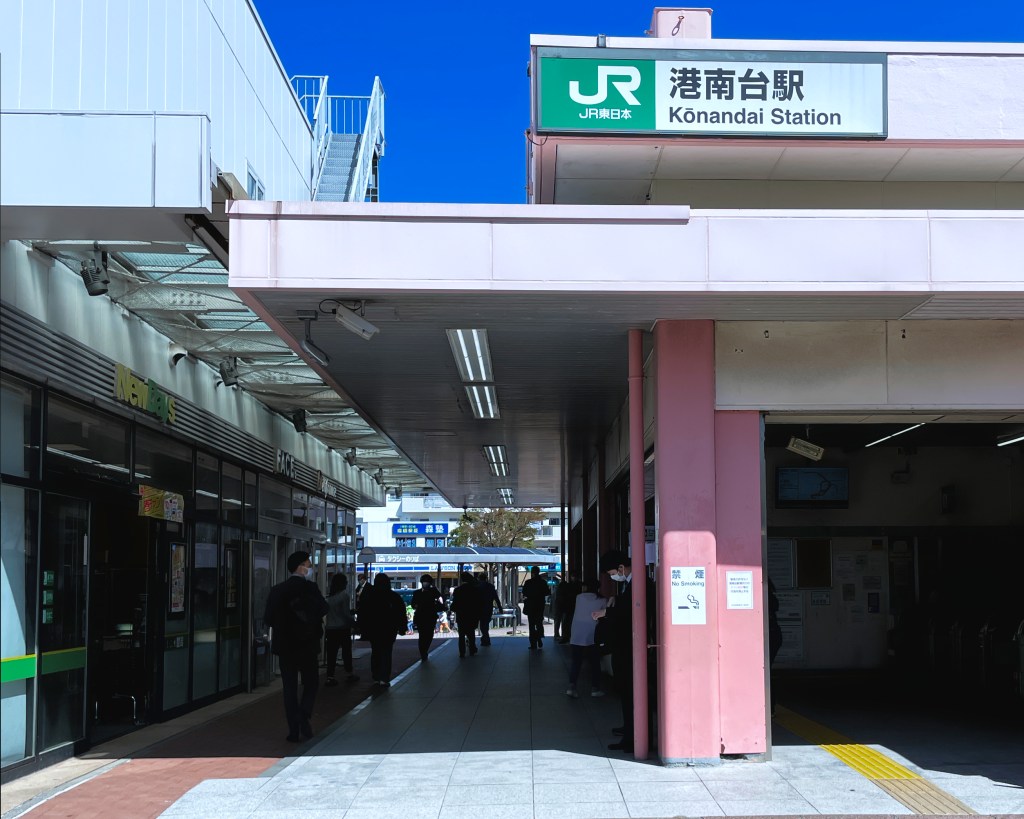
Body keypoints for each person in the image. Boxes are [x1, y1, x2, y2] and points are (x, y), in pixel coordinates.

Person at [263, 550, 329, 742]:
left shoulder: (278, 590)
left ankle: (293, 730)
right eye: (308, 565)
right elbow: (324, 608)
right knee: (311, 682)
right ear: (301, 567)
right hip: (307, 644)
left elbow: (268, 618)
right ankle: (304, 713)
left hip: (285, 646)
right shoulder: (310, 588)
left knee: (289, 687)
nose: (310, 568)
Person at [593, 549, 654, 753]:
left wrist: (607, 612)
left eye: (612, 573)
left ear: (621, 567)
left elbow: (632, 610)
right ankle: (630, 729)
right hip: (629, 646)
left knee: (631, 692)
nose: (613, 577)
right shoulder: (633, 583)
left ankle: (633, 736)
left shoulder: (639, 583)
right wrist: (615, 601)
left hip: (631, 647)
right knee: (627, 692)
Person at [357, 573, 407, 686]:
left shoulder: (370, 596)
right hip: (389, 629)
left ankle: (376, 676)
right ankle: (384, 677)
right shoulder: (393, 596)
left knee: (376, 651)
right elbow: (401, 613)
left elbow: (363, 613)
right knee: (386, 652)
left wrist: (362, 628)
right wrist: (402, 627)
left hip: (374, 629)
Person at [565, 578, 609, 698]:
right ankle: (595, 688)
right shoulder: (602, 600)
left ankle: (571, 687)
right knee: (594, 662)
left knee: (576, 661)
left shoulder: (579, 597)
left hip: (577, 633)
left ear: (586, 587)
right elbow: (605, 615)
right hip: (592, 634)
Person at [324, 573, 358, 686]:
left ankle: (330, 676)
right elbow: (345, 614)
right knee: (346, 652)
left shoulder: (329, 598)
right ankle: (349, 673)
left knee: (331, 653)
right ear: (343, 583)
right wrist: (354, 623)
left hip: (330, 628)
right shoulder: (344, 596)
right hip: (342, 628)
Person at [411, 574, 444, 661]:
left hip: (430, 617)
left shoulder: (434, 591)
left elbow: (440, 599)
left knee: (429, 635)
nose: (426, 583)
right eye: (424, 581)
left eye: (427, 582)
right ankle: (423, 653)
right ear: (421, 582)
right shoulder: (417, 593)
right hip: (421, 617)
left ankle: (424, 651)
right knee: (422, 635)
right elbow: (413, 604)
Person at [450, 572, 480, 657]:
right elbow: (478, 603)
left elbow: (454, 604)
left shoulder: (458, 590)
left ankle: (462, 652)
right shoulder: (474, 589)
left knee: (461, 635)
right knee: (471, 633)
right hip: (472, 614)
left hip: (461, 615)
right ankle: (472, 649)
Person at [522, 566, 550, 650]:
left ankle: (533, 644)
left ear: (532, 573)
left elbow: (524, 593)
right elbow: (547, 592)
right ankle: (539, 637)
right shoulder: (543, 582)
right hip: (540, 606)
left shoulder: (528, 582)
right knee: (539, 623)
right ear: (538, 572)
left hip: (530, 606)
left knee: (531, 625)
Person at [767, 577, 783, 716]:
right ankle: (770, 706)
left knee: (764, 671)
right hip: (774, 635)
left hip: (770, 636)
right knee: (766, 670)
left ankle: (769, 706)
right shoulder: (771, 597)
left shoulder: (764, 597)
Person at [475, 572, 502, 647]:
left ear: (479, 578)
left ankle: (485, 638)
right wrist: (500, 607)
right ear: (486, 578)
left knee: (482, 624)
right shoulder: (490, 586)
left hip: (479, 608)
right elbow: (496, 597)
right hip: (488, 608)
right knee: (485, 624)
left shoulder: (477, 586)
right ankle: (486, 639)